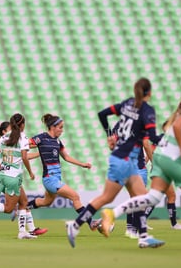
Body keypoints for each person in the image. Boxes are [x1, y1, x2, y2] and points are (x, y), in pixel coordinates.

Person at [100, 82, 181, 249]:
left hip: (160, 155)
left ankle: (112, 213)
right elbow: (177, 126)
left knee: (152, 197)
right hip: (170, 158)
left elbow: (175, 131)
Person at [66, 77, 164, 248]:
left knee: (138, 198)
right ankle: (74, 226)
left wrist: (109, 135)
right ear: (150, 92)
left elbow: (102, 114)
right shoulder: (147, 111)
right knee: (113, 198)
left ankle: (143, 237)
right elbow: (153, 138)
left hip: (121, 158)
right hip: (126, 160)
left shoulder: (127, 104)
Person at [26, 113, 97, 229]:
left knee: (46, 202)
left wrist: (82, 164)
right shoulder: (41, 138)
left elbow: (67, 157)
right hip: (50, 179)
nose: (62, 130)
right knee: (75, 197)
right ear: (53, 127)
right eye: (60, 127)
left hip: (56, 178)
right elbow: (26, 145)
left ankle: (24, 207)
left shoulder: (58, 141)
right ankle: (91, 223)